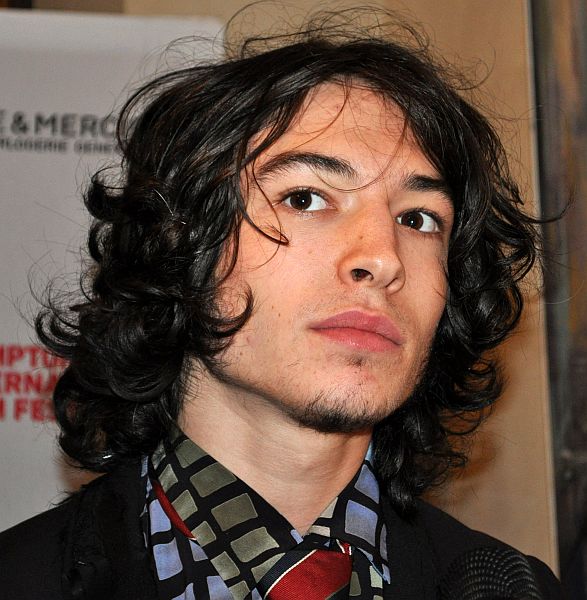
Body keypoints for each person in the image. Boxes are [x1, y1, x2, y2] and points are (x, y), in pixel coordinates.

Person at [0, 9, 562, 600]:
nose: (383, 257)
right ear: (179, 242)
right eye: (306, 198)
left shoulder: (512, 588)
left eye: (419, 219)